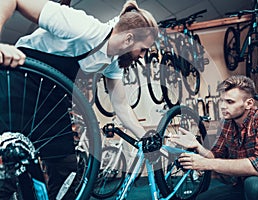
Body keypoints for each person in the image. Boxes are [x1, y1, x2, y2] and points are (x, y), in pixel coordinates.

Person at [0, 0, 158, 199]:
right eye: (142, 49)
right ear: (128, 39)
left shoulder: (113, 63)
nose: (142, 56)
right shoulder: (84, 27)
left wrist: (145, 136)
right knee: (8, 167)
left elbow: (121, 105)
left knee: (66, 169)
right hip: (21, 81)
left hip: (53, 97)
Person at [169, 75, 258, 200]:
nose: (222, 106)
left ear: (248, 103)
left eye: (230, 102)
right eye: (222, 101)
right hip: (245, 185)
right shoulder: (227, 123)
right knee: (203, 198)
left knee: (254, 185)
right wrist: (198, 146)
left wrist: (205, 163)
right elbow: (217, 157)